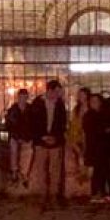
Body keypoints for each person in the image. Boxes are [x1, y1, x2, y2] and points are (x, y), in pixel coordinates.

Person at [28, 80, 68, 208]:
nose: (58, 95)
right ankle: (43, 195)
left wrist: (55, 137)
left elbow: (62, 124)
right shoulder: (37, 104)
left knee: (55, 170)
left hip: (55, 142)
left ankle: (53, 195)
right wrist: (41, 136)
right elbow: (33, 123)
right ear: (50, 91)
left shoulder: (60, 105)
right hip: (40, 142)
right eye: (56, 92)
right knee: (41, 170)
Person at [84, 93, 110, 203]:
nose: (94, 103)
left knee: (106, 171)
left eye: (96, 101)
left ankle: (105, 192)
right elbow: (92, 131)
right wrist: (105, 130)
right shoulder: (89, 115)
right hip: (94, 148)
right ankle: (96, 193)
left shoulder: (104, 114)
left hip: (105, 148)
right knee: (97, 172)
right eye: (92, 101)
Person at [4, 89, 31, 184]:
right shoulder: (13, 110)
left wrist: (26, 137)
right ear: (18, 98)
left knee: (28, 150)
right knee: (13, 148)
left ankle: (24, 173)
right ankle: (14, 171)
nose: (22, 99)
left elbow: (32, 125)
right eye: (21, 97)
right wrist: (17, 137)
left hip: (26, 137)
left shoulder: (30, 110)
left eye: (24, 97)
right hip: (15, 136)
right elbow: (10, 125)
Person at [67, 87, 91, 187]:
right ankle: (81, 174)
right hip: (77, 137)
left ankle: (85, 175)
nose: (81, 97)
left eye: (83, 94)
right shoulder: (76, 109)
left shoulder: (90, 109)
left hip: (88, 136)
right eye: (79, 95)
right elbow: (73, 124)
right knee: (79, 154)